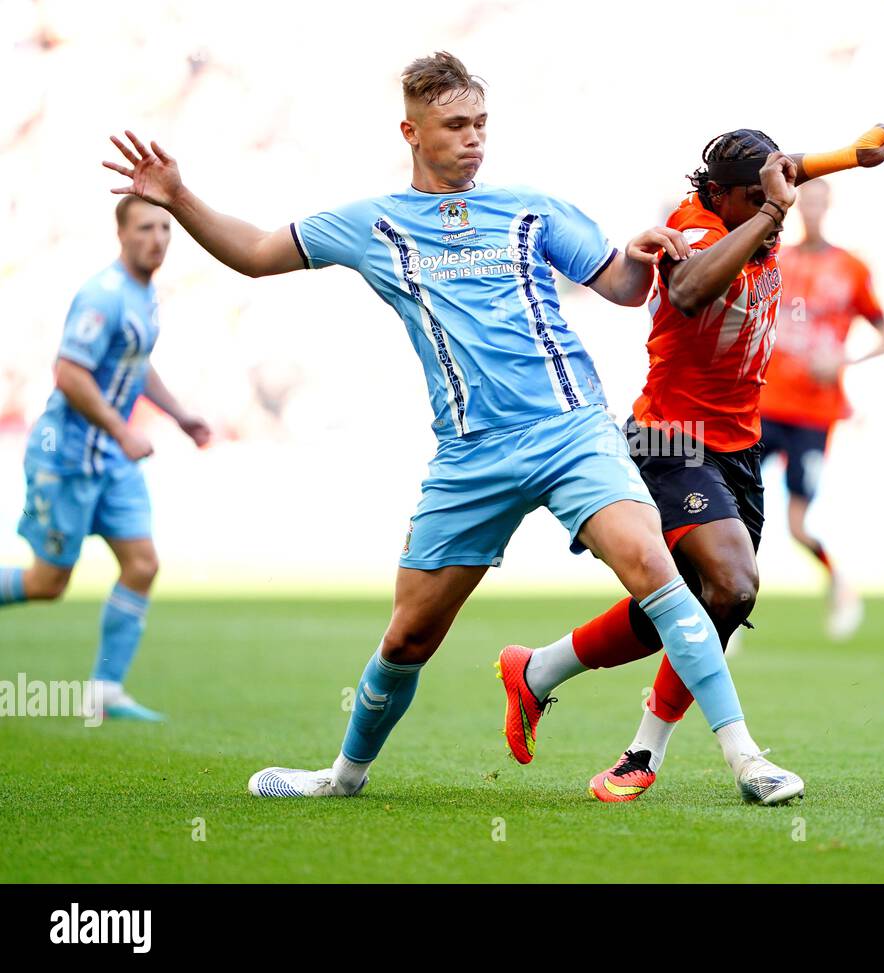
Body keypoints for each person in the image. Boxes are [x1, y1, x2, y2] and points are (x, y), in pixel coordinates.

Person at [102, 52, 803, 803]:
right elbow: (256, 254)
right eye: (456, 125)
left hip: (574, 432)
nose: (474, 139)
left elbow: (626, 289)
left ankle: (746, 760)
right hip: (472, 456)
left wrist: (644, 252)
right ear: (412, 130)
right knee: (408, 637)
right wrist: (178, 195)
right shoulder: (373, 224)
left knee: (662, 579)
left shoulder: (532, 207)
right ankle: (343, 777)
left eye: (481, 124)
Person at [496, 124, 884, 802]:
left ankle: (539, 672)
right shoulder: (694, 226)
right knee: (734, 581)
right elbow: (688, 292)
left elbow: (786, 169)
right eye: (761, 197)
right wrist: (775, 210)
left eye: (778, 189)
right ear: (722, 195)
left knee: (706, 597)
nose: (780, 204)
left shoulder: (756, 199)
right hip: (669, 437)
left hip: (737, 444)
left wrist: (852, 157)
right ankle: (695, 754)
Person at [0, 197, 212, 722]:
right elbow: (69, 372)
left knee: (142, 564)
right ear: (121, 233)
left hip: (112, 462)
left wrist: (181, 416)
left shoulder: (146, 296)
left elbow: (137, 367)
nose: (158, 238)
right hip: (67, 458)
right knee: (49, 584)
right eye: (145, 227)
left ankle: (105, 693)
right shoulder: (103, 295)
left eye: (165, 227)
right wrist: (121, 430)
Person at [759, 178, 884, 640]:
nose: (812, 209)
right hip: (765, 405)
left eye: (819, 201)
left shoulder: (851, 268)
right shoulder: (778, 260)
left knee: (797, 525)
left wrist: (843, 359)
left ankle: (839, 584)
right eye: (806, 201)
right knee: (734, 508)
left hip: (814, 415)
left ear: (828, 205)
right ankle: (724, 607)